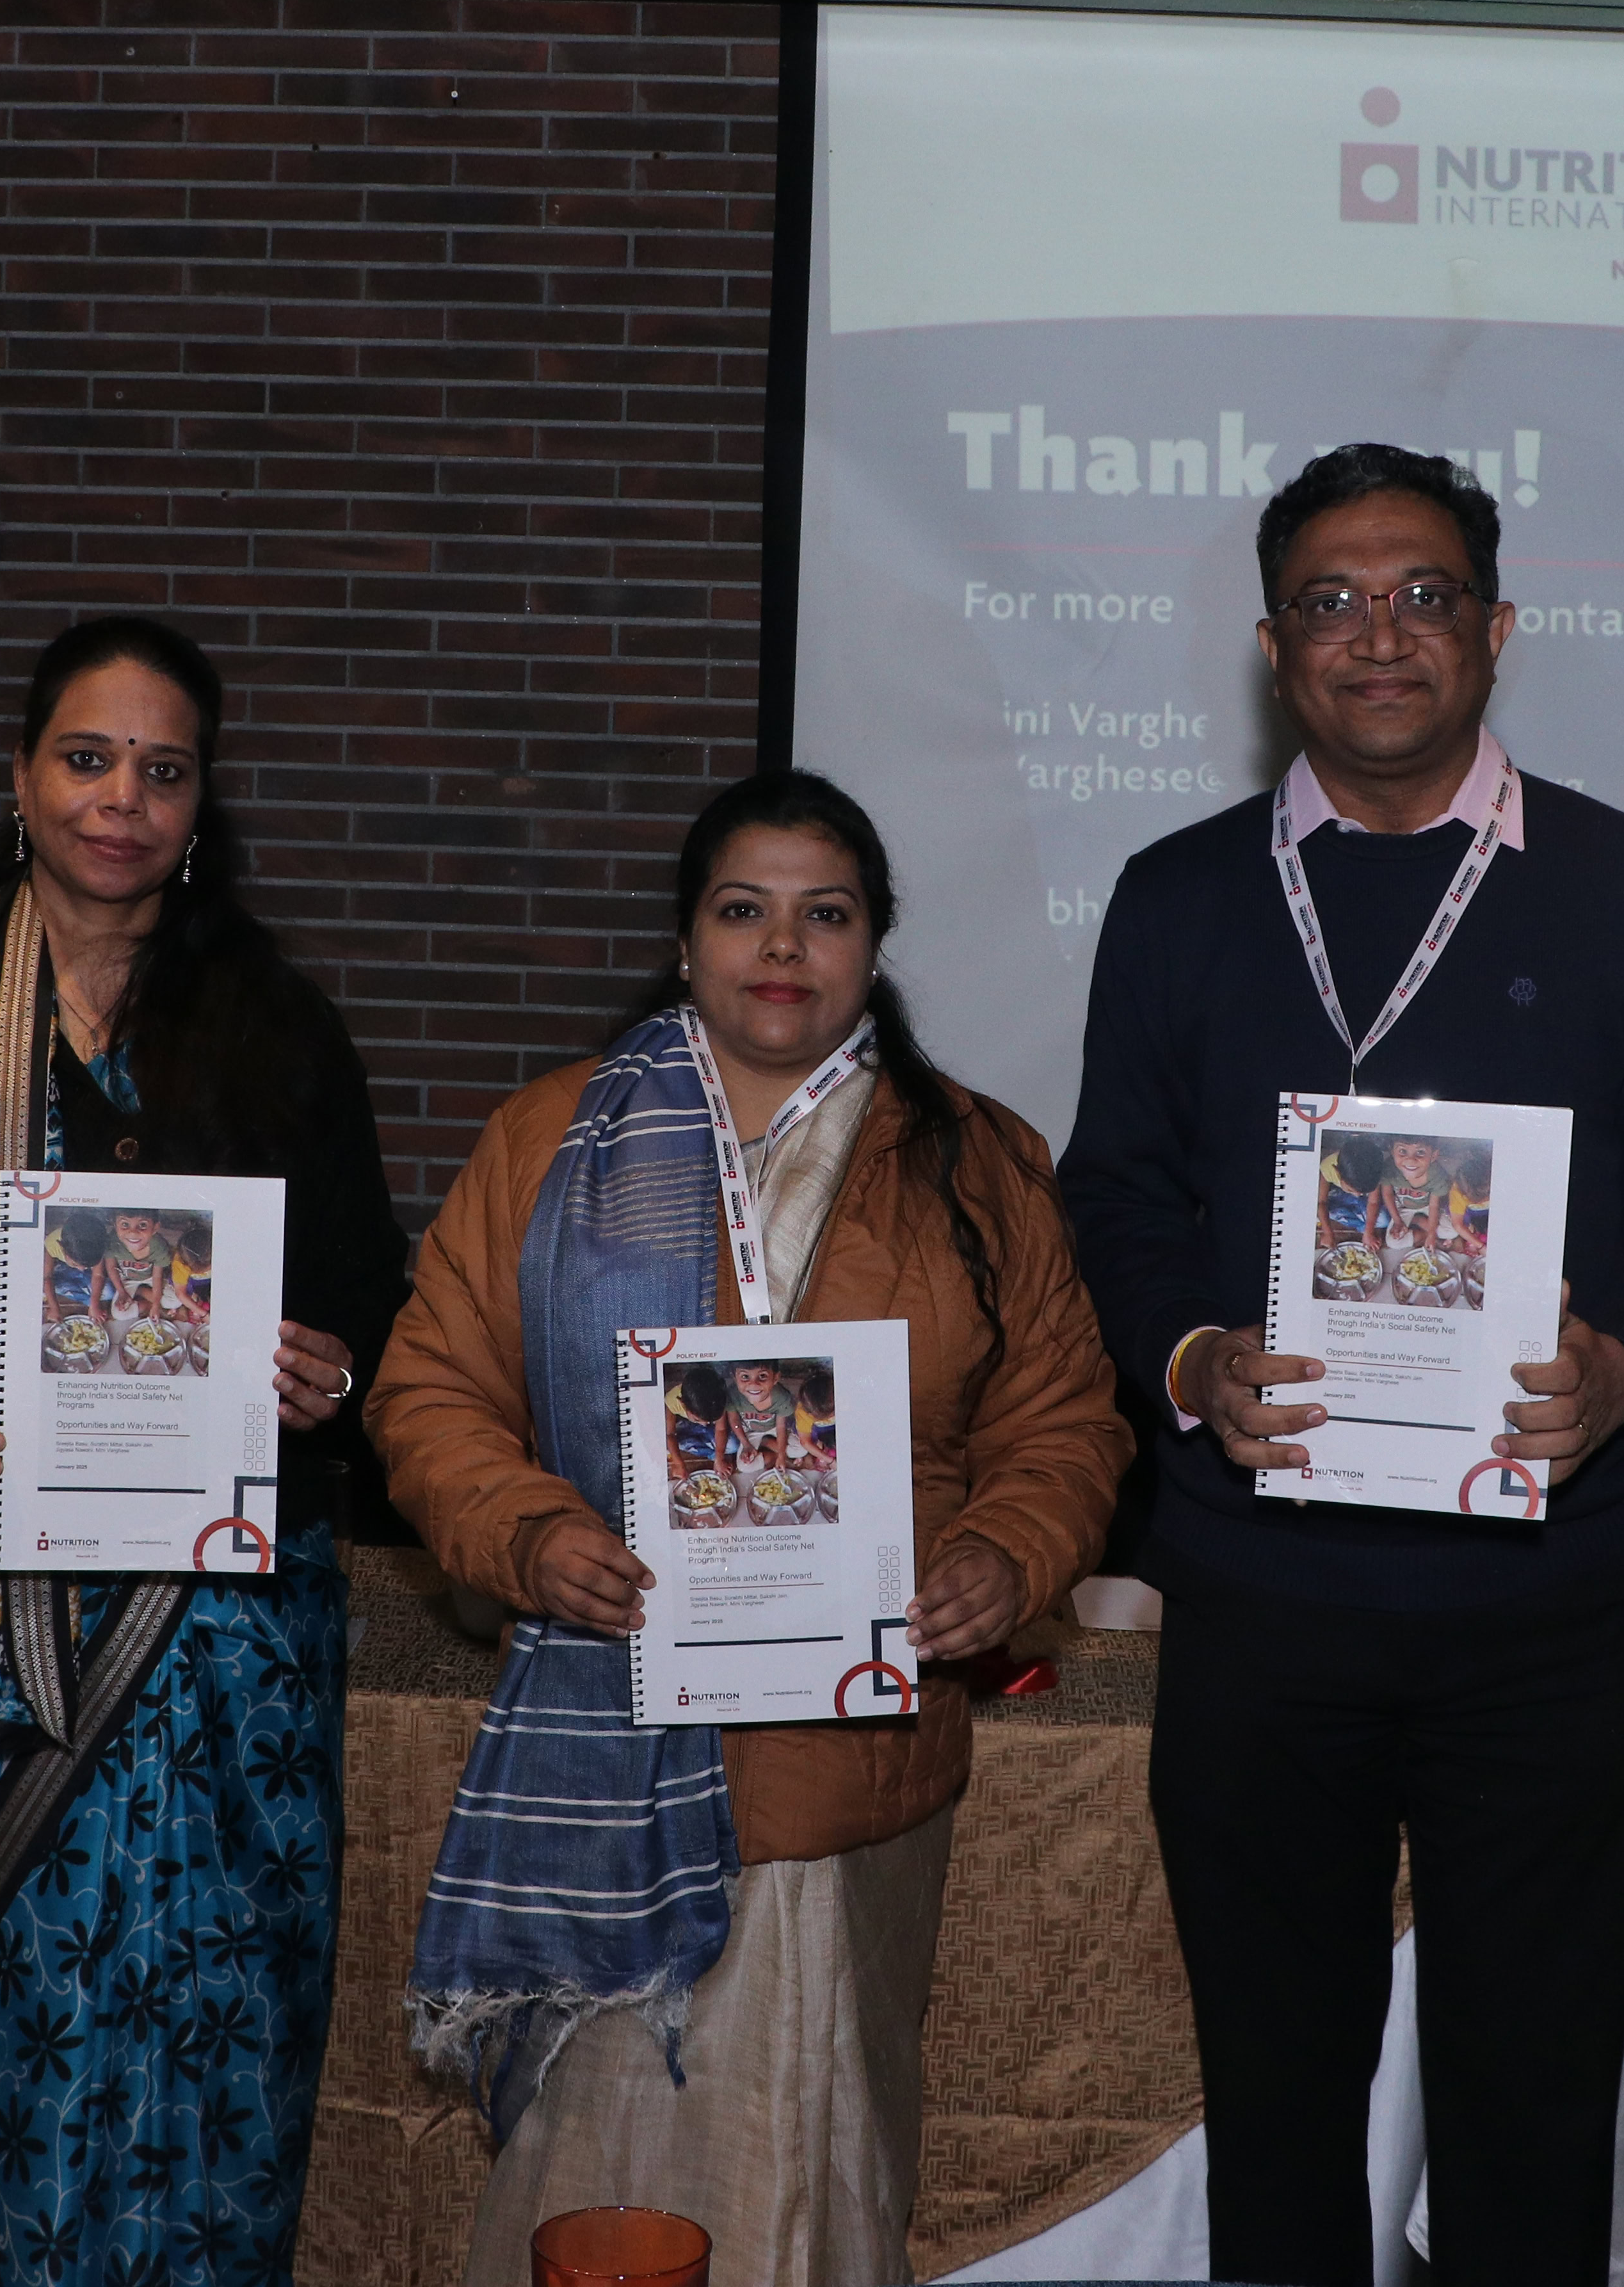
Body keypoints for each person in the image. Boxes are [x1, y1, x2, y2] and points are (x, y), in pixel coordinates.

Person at [1057, 442, 1624, 2287]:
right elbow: (1118, 1191)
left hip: (1548, 1604)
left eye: (1422, 595)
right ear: (1272, 647)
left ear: (1497, 629)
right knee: (1278, 2103)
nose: (1378, 635)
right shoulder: (1178, 893)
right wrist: (1195, 1351)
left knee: (1531, 2113)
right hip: (1262, 1598)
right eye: (1330, 601)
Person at [377, 768, 1132, 2287]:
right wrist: (530, 1532)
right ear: (684, 939)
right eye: (744, 909)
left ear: (874, 944)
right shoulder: (549, 1143)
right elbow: (429, 1394)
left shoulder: (975, 1160)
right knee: (600, 2188)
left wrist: (1006, 1553)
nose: (781, 947)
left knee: (819, 2173)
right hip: (611, 1733)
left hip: (852, 1765)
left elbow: (1064, 1421)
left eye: (825, 913)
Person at [0, 613, 409, 2286]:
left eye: (163, 772)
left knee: (206, 2061)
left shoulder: (279, 1031)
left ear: (202, 809)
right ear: (23, 775)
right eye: (88, 758)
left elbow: (367, 1298)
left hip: (219, 1675)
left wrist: (331, 1369)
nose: (122, 800)